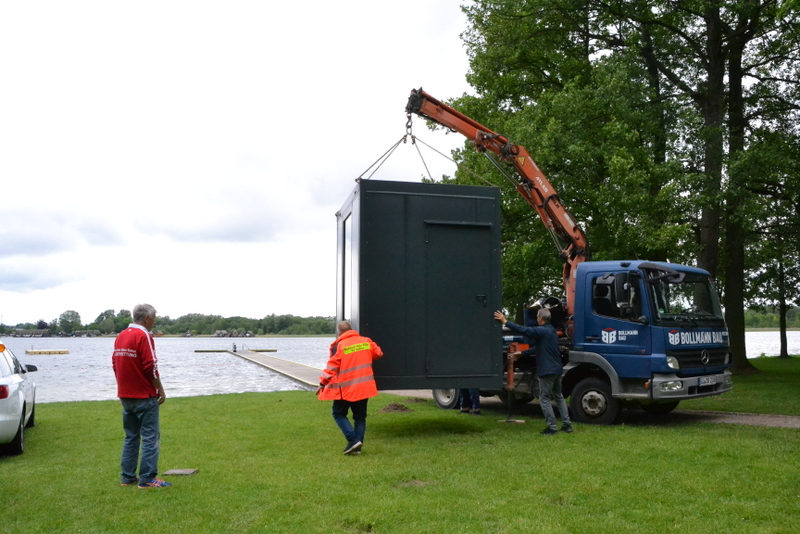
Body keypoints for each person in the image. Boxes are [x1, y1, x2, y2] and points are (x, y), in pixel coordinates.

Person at [112, 303, 171, 488]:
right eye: (154, 318)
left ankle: (127, 477)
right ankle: (147, 479)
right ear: (146, 318)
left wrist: (123, 389)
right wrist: (160, 389)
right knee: (150, 437)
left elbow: (116, 364)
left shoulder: (121, 336)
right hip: (143, 395)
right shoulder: (143, 335)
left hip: (126, 395)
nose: (154, 322)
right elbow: (150, 366)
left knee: (131, 437)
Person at [494, 308, 572, 435]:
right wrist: (522, 353)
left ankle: (552, 428)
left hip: (547, 370)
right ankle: (567, 425)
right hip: (557, 369)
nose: (536, 319)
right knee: (559, 397)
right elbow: (539, 348)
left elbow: (525, 330)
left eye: (537, 317)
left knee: (544, 399)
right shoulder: (552, 331)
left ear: (540, 318)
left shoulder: (541, 331)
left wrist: (505, 321)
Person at [316, 321, 383, 455]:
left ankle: (353, 440)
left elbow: (332, 367)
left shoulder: (340, 345)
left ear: (339, 333)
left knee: (338, 413)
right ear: (352, 330)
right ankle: (357, 447)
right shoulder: (366, 341)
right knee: (359, 417)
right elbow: (378, 353)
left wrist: (322, 383)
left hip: (347, 387)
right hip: (364, 386)